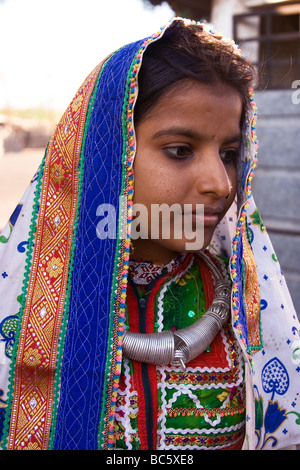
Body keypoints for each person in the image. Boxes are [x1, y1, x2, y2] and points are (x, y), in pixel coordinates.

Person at [0, 18, 299, 451]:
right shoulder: (23, 302)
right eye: (180, 150)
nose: (220, 182)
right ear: (109, 151)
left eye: (231, 154)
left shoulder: (247, 312)